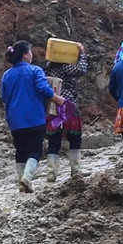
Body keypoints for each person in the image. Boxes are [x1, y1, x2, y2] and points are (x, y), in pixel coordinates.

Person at [1, 40, 64, 192]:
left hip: (15, 121)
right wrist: (57, 99)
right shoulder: (35, 71)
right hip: (34, 118)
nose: (31, 55)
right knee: (35, 151)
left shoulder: (6, 75)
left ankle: (21, 183)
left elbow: (4, 97)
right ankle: (27, 178)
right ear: (25, 55)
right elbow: (43, 88)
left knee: (20, 151)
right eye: (30, 52)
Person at [43, 46, 89, 182]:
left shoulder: (47, 67)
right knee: (75, 138)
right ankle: (76, 170)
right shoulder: (65, 66)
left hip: (52, 108)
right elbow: (81, 69)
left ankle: (51, 173)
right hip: (67, 106)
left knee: (54, 140)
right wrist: (82, 55)